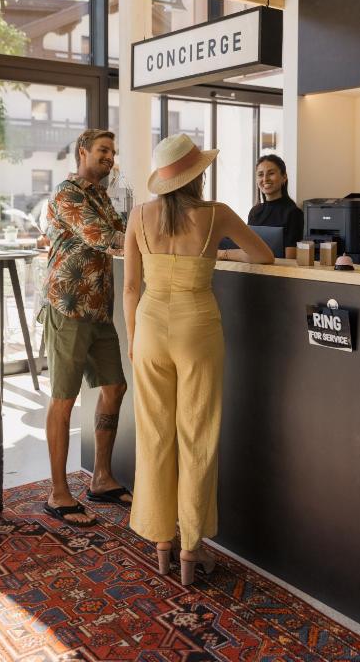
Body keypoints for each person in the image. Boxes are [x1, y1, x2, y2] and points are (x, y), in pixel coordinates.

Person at [123, 133, 273, 585]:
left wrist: (133, 341)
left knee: (154, 435)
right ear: (197, 176)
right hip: (198, 327)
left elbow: (130, 287)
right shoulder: (217, 214)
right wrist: (219, 251)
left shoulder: (138, 215)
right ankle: (191, 549)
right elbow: (263, 256)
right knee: (197, 435)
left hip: (149, 328)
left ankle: (161, 543)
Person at [41, 128, 131, 528]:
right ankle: (58, 493)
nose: (109, 157)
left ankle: (101, 478)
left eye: (112, 151)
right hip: (68, 307)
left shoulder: (102, 196)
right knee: (64, 398)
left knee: (115, 387)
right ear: (83, 151)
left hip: (99, 311)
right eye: (103, 150)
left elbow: (122, 231)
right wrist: (156, 239)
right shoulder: (68, 193)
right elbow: (103, 237)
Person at [248, 154, 304, 259]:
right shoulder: (254, 212)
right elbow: (248, 248)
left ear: (284, 177)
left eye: (271, 173)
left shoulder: (293, 213)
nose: (265, 179)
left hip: (279, 268)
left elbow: (290, 259)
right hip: (253, 267)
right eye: (260, 174)